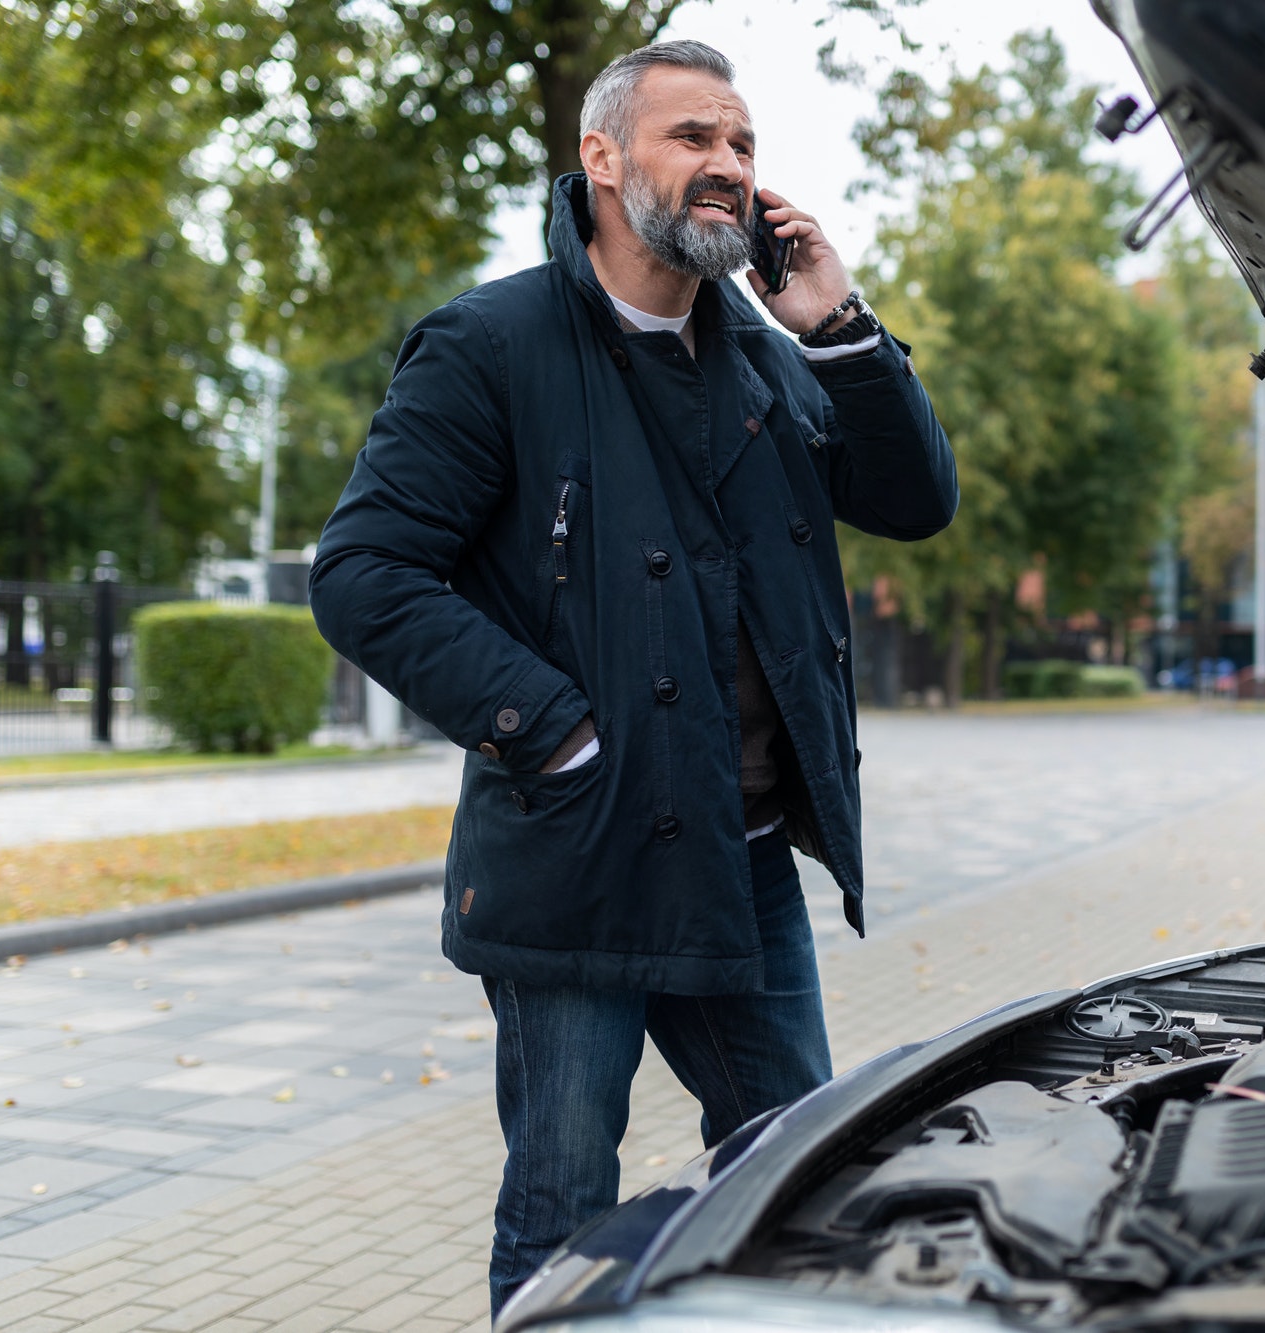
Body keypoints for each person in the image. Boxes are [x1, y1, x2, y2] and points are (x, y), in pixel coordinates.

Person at [307, 40, 956, 1314]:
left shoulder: (773, 358)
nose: (726, 167)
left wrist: (839, 327)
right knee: (561, 1214)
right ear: (601, 158)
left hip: (743, 860)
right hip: (576, 867)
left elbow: (913, 500)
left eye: (742, 145)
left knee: (799, 1180)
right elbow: (365, 573)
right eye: (691, 138)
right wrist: (551, 735)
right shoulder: (489, 345)